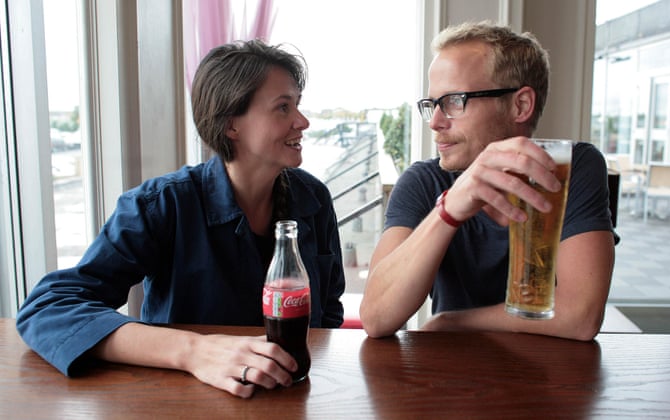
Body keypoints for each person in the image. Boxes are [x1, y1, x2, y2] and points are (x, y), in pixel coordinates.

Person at [16, 39, 345, 399]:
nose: (302, 121)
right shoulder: (161, 205)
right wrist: (194, 351)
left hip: (296, 396)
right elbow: (48, 308)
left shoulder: (313, 198)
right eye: (283, 107)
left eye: (297, 104)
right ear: (231, 124)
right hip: (186, 399)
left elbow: (328, 311)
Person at [360, 21, 616, 341]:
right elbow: (375, 317)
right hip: (453, 369)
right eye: (433, 105)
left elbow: (581, 316)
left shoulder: (571, 167)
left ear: (520, 105)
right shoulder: (422, 182)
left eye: (454, 101)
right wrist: (448, 210)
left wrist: (451, 322)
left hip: (550, 368)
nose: (435, 122)